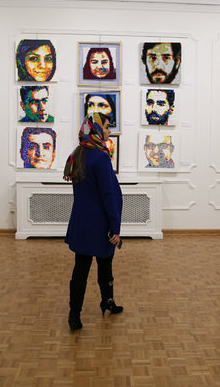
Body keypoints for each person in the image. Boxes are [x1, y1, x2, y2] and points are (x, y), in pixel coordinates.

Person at [63, 112, 123, 331]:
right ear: (96, 130)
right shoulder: (100, 157)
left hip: (81, 223)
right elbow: (108, 195)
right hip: (100, 226)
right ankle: (106, 301)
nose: (109, 131)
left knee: (80, 270)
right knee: (105, 266)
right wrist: (115, 227)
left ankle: (74, 315)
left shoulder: (78, 154)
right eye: (106, 127)